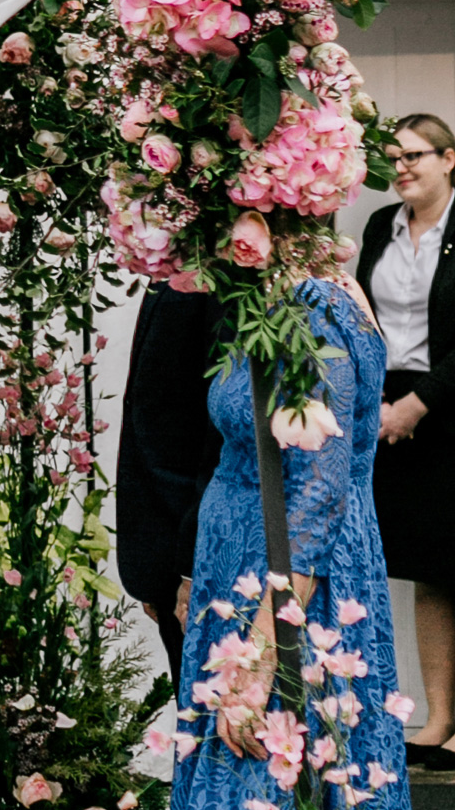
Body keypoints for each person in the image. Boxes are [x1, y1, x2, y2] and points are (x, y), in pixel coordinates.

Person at [170, 273, 409, 810]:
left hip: (286, 590)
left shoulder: (315, 308)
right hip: (242, 574)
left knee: (265, 771)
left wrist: (260, 651)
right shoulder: (270, 297)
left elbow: (320, 490)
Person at [358, 113, 455, 768]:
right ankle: (440, 717)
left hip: (449, 404)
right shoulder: (378, 226)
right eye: (393, 157)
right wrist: (380, 403)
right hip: (390, 412)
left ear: (450, 159)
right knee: (430, 565)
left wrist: (421, 402)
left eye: (415, 154)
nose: (403, 167)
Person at [115, 284, 224, 681]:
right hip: (163, 538)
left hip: (195, 541)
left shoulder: (221, 276)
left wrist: (190, 568)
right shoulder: (174, 262)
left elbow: (220, 432)